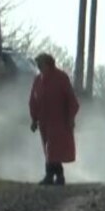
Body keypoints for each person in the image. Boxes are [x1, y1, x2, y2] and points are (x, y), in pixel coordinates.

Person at [28, 53, 80, 185]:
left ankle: (53, 176)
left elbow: (71, 99)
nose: (39, 67)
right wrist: (34, 119)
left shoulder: (61, 78)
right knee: (48, 148)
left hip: (59, 120)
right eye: (38, 64)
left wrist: (70, 117)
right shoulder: (38, 80)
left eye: (41, 64)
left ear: (49, 64)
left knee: (54, 149)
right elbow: (33, 101)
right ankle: (55, 176)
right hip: (44, 120)